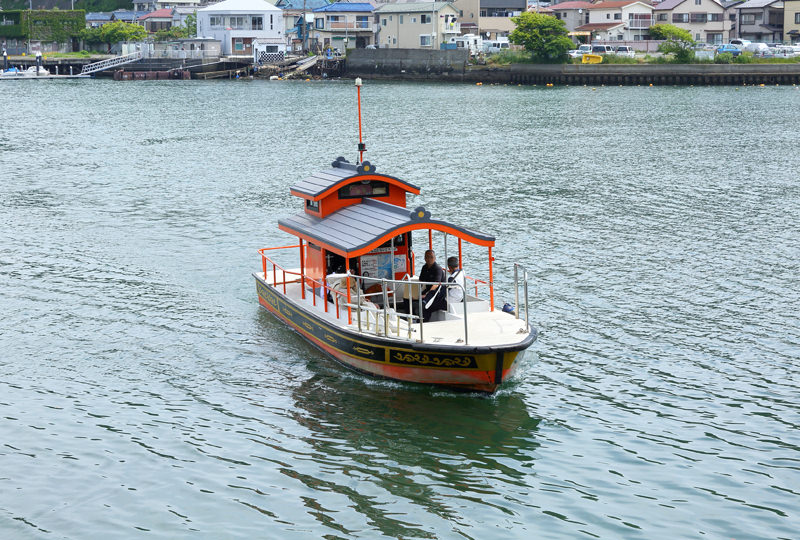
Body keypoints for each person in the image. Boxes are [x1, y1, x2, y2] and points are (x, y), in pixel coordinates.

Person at [418, 249, 446, 322]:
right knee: (408, 299)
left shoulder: (438, 269)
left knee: (425, 305)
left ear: (435, 258)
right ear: (424, 258)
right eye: (427, 257)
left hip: (437, 293)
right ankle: (412, 317)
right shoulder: (424, 267)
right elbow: (420, 281)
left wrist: (427, 295)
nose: (429, 259)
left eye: (431, 257)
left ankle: (423, 322)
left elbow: (436, 284)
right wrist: (416, 292)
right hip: (428, 290)